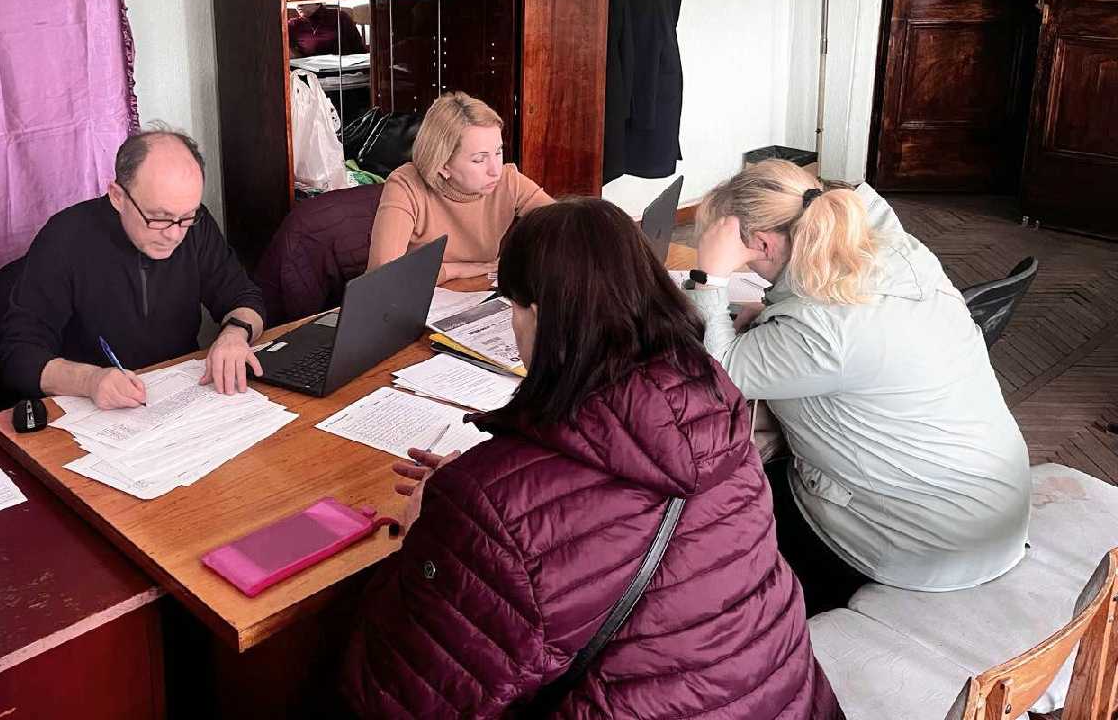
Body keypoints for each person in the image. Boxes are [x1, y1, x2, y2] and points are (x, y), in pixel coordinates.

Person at [343, 199, 841, 719]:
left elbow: (396, 697)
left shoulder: (492, 511)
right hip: (787, 699)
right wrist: (475, 507)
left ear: (538, 315)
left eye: (512, 307)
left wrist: (427, 536)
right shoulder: (714, 406)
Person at [687, 160, 1031, 612]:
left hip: (923, 546)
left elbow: (720, 377)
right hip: (988, 509)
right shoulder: (896, 252)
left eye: (744, 258)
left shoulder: (822, 332)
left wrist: (710, 278)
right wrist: (771, 316)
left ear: (764, 244)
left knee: (712, 519)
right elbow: (843, 332)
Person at [0, 124, 266, 407]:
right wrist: (89, 381)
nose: (175, 234)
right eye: (159, 218)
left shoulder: (195, 227)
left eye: (187, 216)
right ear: (118, 196)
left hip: (181, 398)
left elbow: (245, 297)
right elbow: (18, 355)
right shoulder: (65, 237)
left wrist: (235, 335)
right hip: (92, 411)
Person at [366, 92, 552, 283]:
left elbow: (564, 226)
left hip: (480, 292)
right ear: (443, 165)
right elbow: (384, 276)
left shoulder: (508, 181)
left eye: (498, 152)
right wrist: (458, 270)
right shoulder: (406, 186)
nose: (495, 170)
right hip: (423, 297)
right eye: (479, 159)